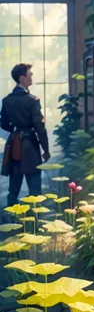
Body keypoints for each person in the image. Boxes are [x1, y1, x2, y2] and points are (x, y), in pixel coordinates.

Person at [1, 62, 50, 211]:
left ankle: (10, 222)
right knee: (35, 188)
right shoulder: (32, 100)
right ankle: (35, 222)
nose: (32, 77)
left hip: (14, 143)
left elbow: (3, 123)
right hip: (30, 147)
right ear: (22, 78)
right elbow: (39, 128)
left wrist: (16, 130)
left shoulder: (7, 100)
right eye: (29, 74)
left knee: (13, 188)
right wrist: (45, 150)